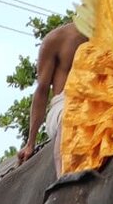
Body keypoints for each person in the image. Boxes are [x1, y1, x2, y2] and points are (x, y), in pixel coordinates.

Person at [17, 21, 88, 171]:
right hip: (64, 105)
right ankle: (64, 180)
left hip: (102, 103)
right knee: (71, 117)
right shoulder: (57, 38)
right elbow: (42, 91)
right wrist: (31, 143)